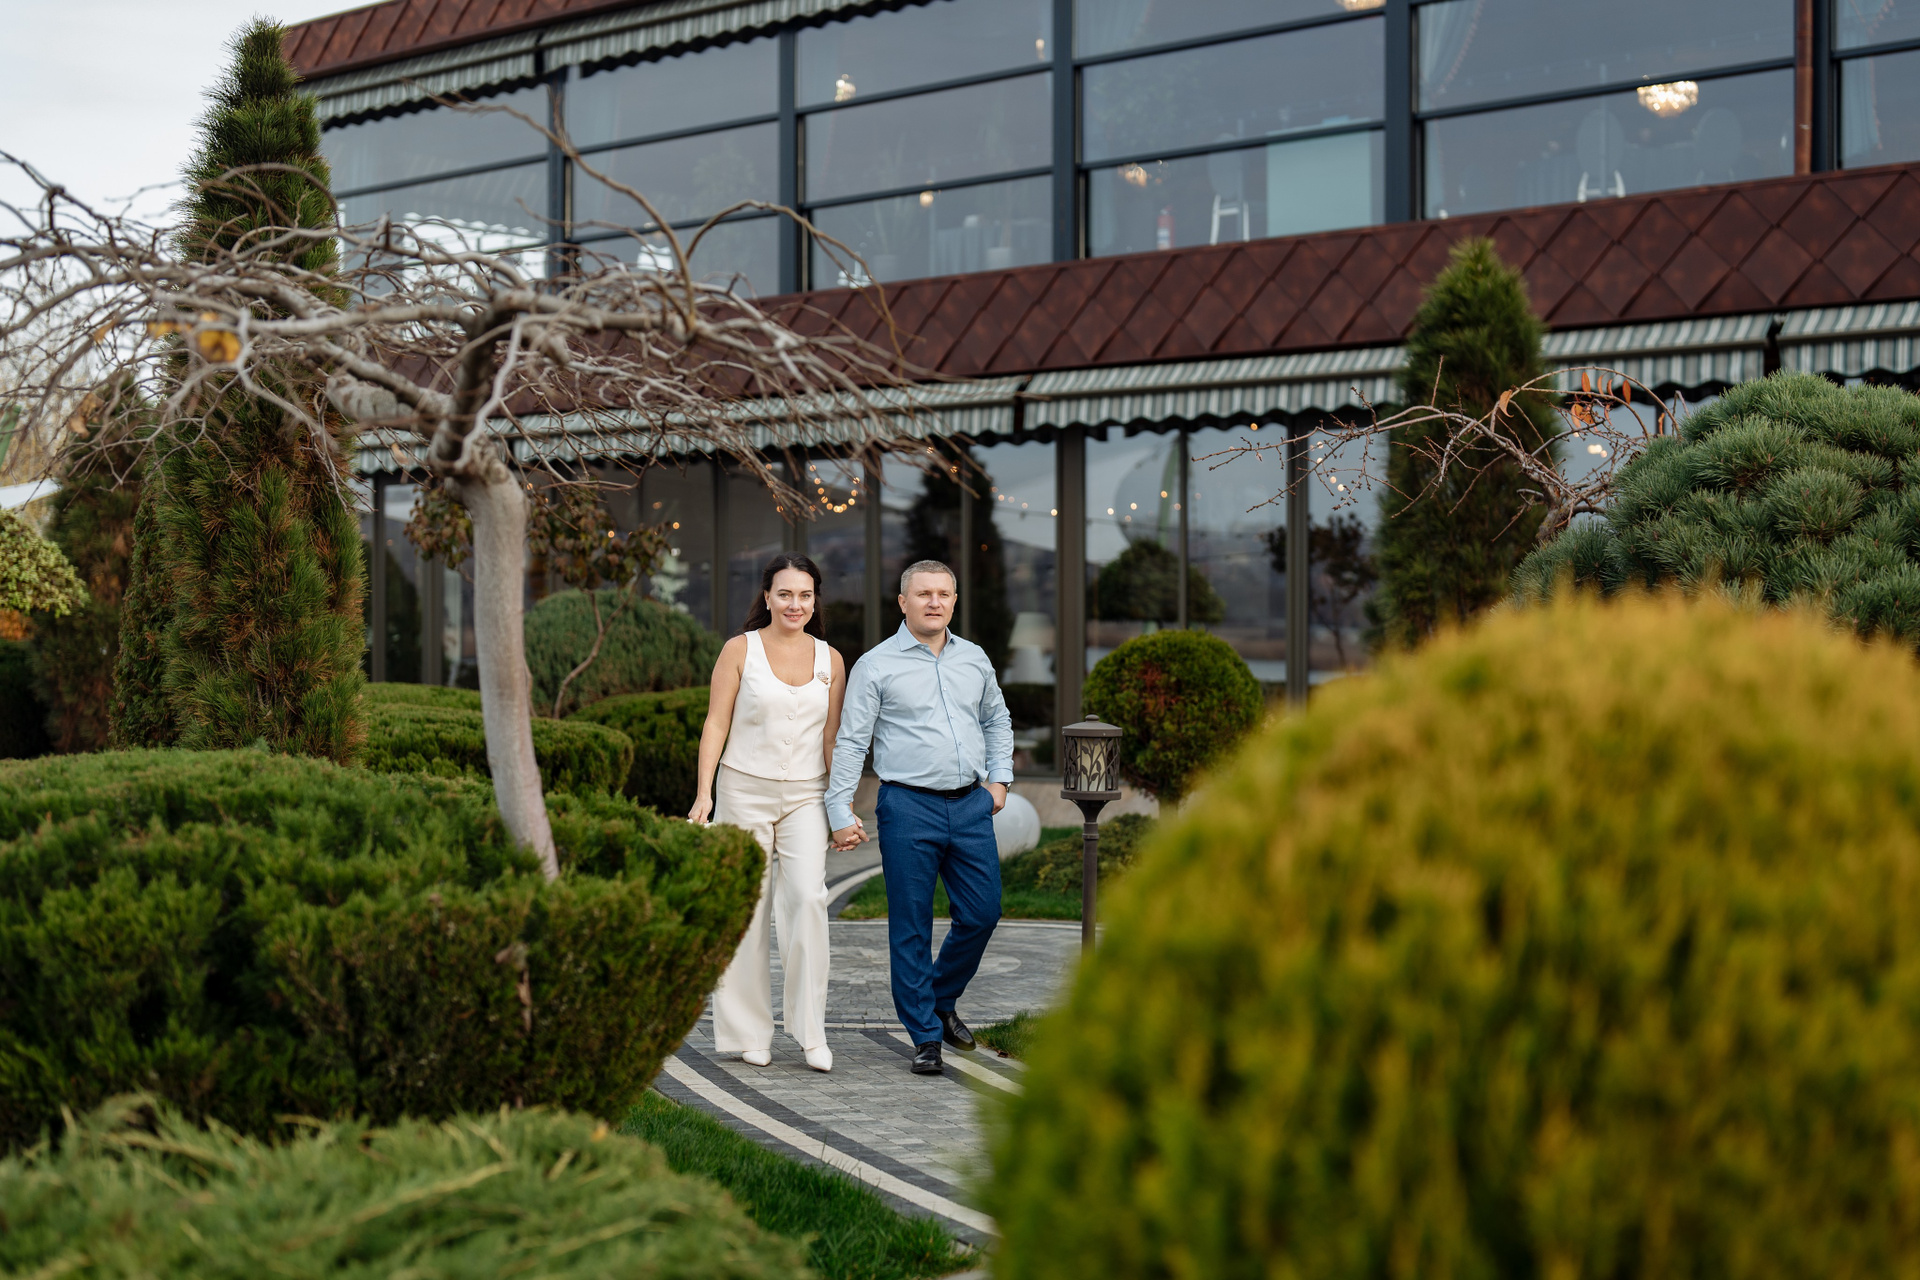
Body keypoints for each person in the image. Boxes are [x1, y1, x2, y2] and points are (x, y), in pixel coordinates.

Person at [827, 559, 1014, 1076]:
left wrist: (999, 781)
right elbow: (851, 741)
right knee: (911, 924)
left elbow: (997, 719)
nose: (935, 602)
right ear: (903, 602)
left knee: (983, 912)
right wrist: (838, 808)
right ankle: (926, 1036)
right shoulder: (875, 665)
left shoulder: (974, 658)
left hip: (971, 804)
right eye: (924, 593)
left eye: (944, 594)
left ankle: (939, 999)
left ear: (954, 601)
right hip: (908, 806)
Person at [691, 553, 847, 1073]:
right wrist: (705, 794)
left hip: (806, 795)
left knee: (808, 900)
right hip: (743, 790)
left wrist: (841, 807)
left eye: (804, 595)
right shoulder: (740, 649)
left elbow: (832, 739)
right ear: (767, 597)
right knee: (748, 907)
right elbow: (716, 723)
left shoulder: (831, 660)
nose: (794, 604)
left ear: (815, 600)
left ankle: (811, 1033)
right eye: (785, 594)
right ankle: (749, 1033)